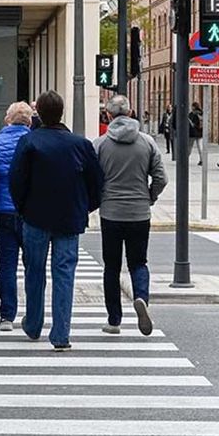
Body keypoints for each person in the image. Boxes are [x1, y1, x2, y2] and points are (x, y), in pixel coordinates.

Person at [11, 91, 103, 351]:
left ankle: (33, 324)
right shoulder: (80, 144)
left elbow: (16, 180)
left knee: (34, 271)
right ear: (62, 112)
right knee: (64, 274)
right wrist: (85, 207)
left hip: (35, 216)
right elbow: (97, 183)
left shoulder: (29, 142)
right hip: (70, 217)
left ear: (38, 112)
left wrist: (22, 208)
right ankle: (61, 333)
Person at [93, 96, 167, 336]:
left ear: (108, 115)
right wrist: (150, 197)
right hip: (139, 212)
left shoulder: (100, 144)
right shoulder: (147, 142)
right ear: (131, 112)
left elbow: (91, 178)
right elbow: (161, 177)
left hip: (111, 212)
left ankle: (114, 320)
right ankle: (141, 297)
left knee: (111, 266)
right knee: (138, 262)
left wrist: (98, 199)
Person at [0, 102, 32, 332]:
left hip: (3, 210)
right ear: (29, 121)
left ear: (7, 120)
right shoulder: (35, 143)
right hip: (30, 212)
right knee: (33, 264)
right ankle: (33, 312)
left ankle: (6, 315)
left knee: (7, 264)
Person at [188, 101, 205, 165]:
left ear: (194, 107)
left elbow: (190, 123)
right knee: (200, 147)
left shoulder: (192, 114)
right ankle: (202, 160)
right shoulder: (201, 113)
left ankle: (185, 159)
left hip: (192, 133)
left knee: (189, 147)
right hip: (200, 133)